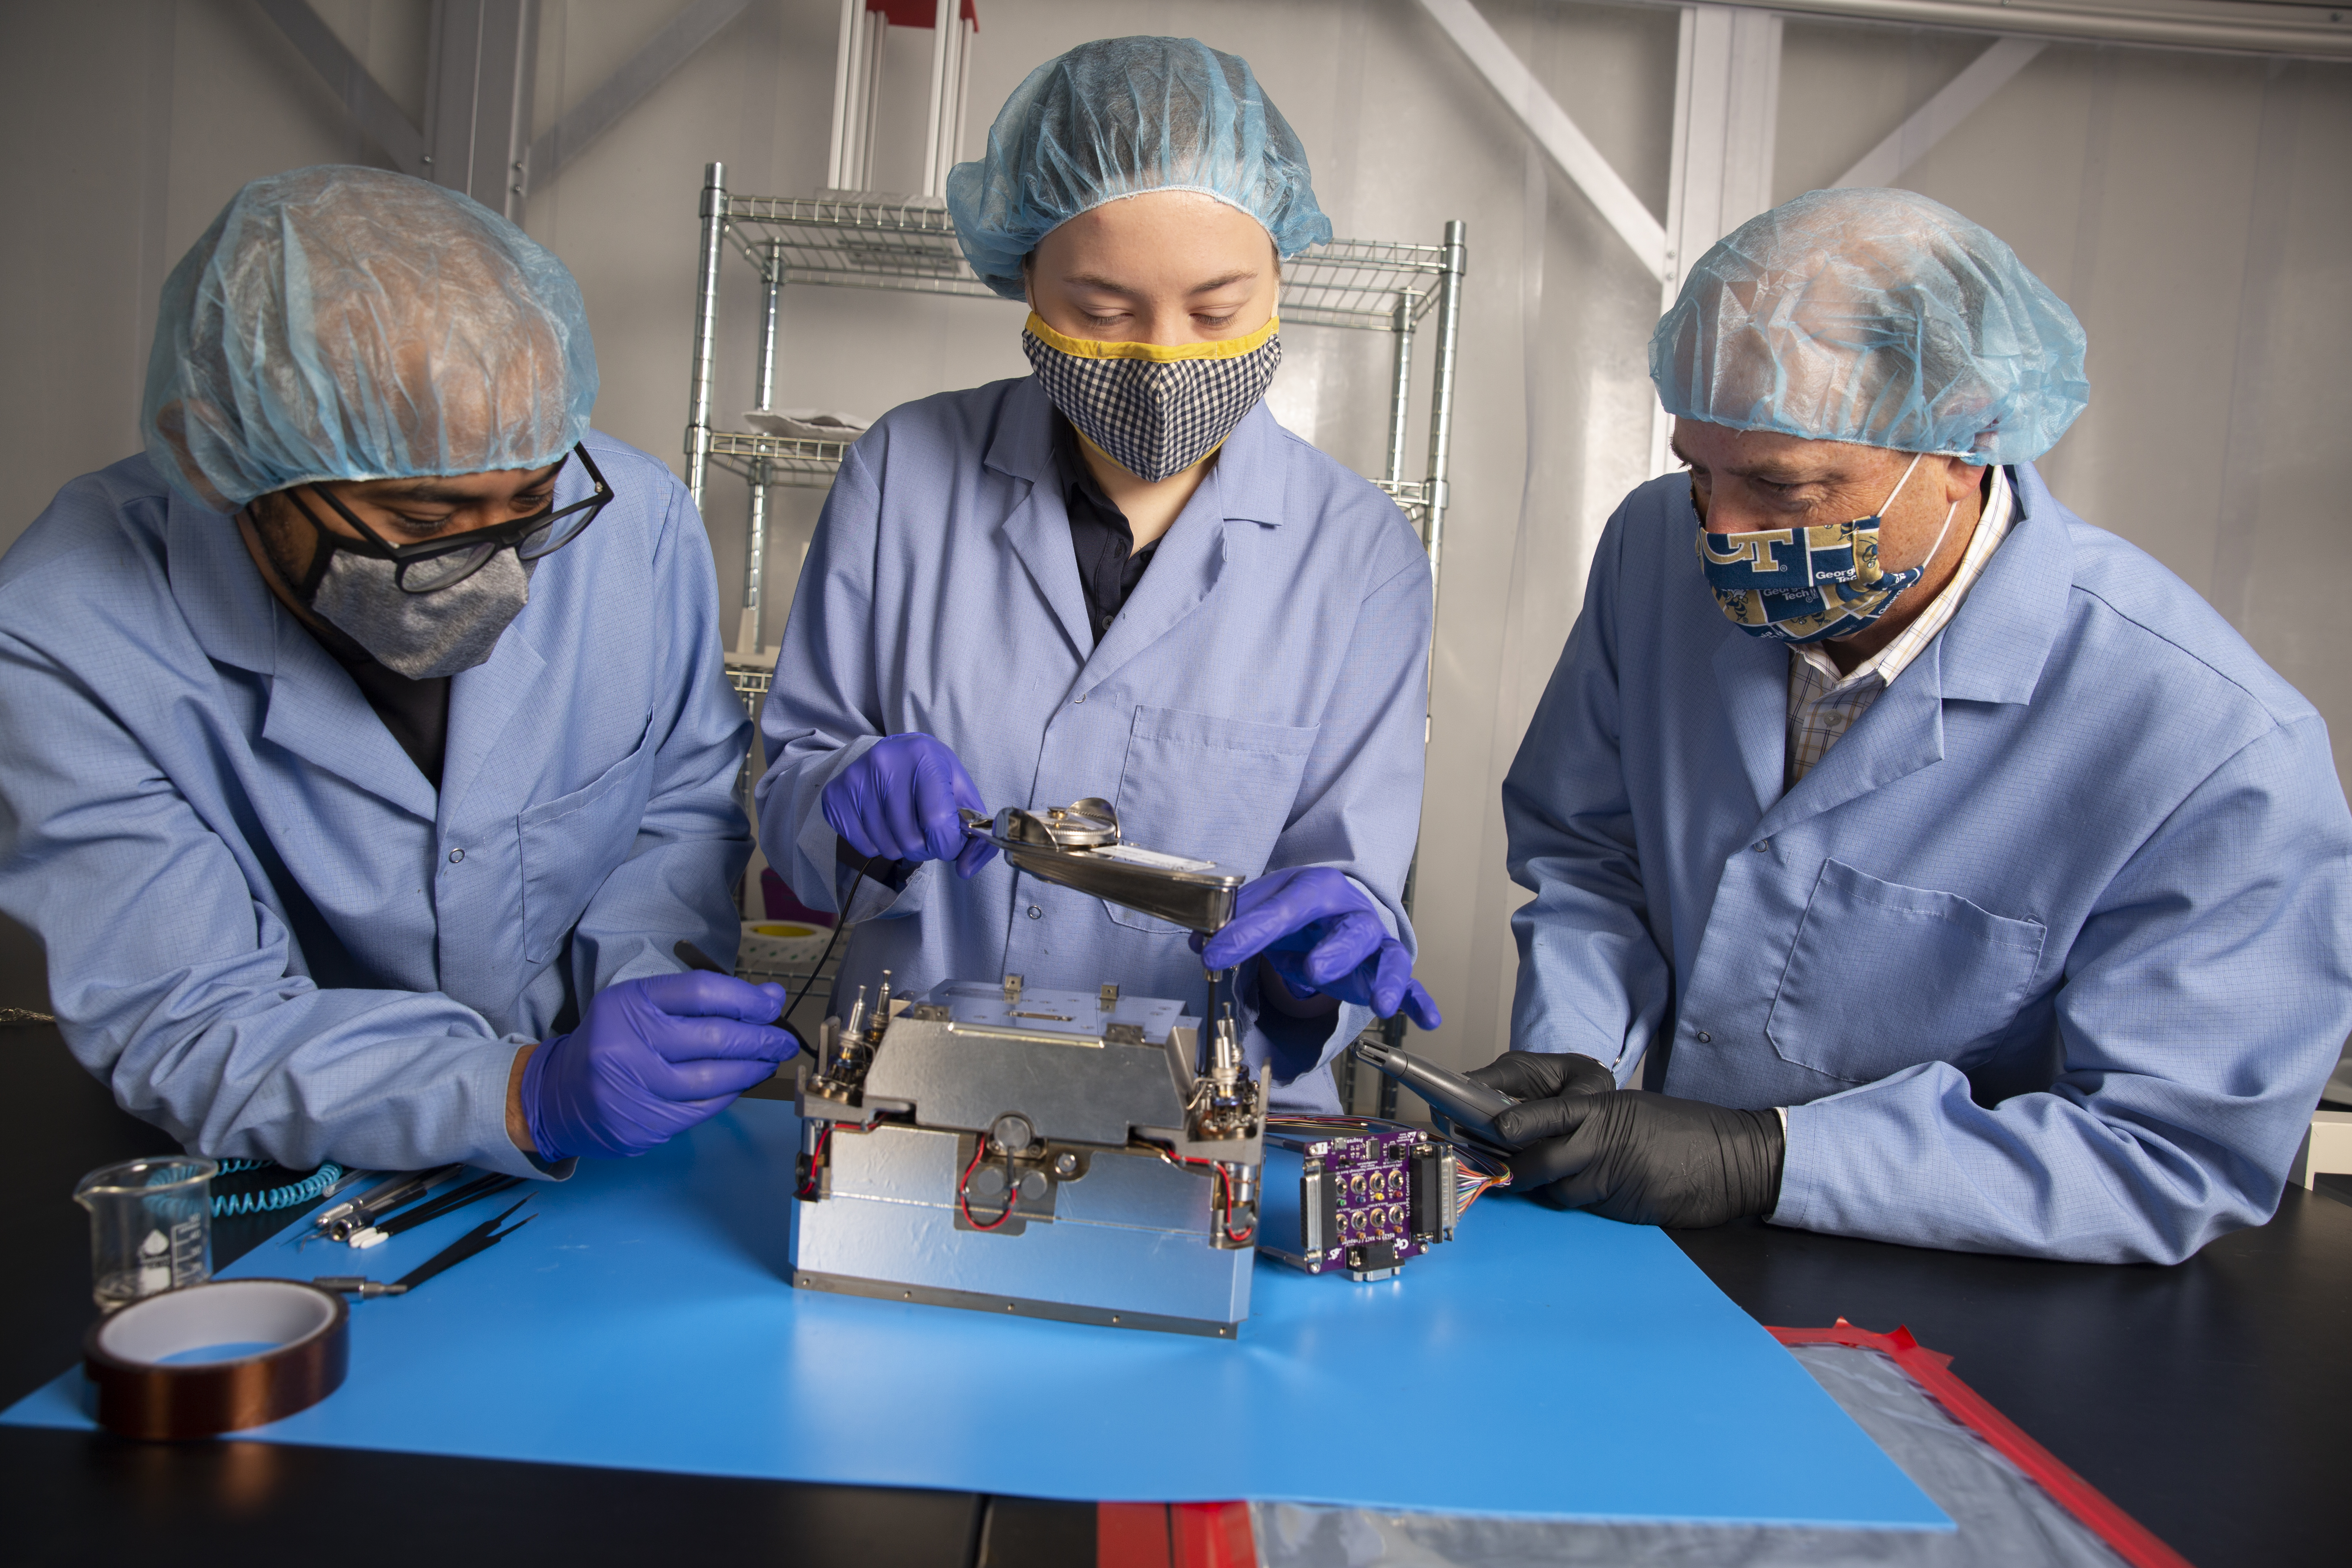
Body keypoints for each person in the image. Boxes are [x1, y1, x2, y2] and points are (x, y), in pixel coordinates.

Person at [1481, 187, 2352, 1263]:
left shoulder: (2214, 746)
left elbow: (2173, 1155)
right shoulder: (1653, 550)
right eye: (1698, 471)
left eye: (1783, 486)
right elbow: (1591, 859)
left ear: (1962, 447)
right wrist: (1585, 1058)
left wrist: (1771, 1159)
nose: (1722, 532)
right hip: (1655, 1248)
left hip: (1968, 1292)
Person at [0, 167, 796, 1179]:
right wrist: (518, 1093)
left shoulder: (630, 524)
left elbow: (675, 812)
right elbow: (191, 1019)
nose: (499, 572)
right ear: (222, 461)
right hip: (279, 1169)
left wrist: (650, 1002)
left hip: (605, 1159)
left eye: (530, 503)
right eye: (426, 524)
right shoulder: (67, 633)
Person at [757, 37, 1439, 1107]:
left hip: (1204, 1123)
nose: (1164, 356)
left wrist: (1320, 967)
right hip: (915, 1093)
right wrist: (836, 793)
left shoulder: (1360, 556)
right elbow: (788, 785)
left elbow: (1345, 887)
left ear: (1280, 279)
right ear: (1023, 274)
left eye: (1216, 311)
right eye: (1104, 312)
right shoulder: (902, 471)